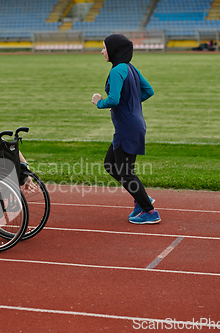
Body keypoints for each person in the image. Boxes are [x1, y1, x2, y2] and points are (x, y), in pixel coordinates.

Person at [91, 34, 160, 224]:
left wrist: (99, 102)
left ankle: (149, 210)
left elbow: (113, 100)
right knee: (110, 164)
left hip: (126, 128)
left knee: (125, 171)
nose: (102, 51)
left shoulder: (117, 71)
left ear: (114, 50)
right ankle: (141, 199)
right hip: (134, 125)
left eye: (104, 48)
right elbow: (148, 91)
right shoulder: (131, 68)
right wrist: (130, 103)